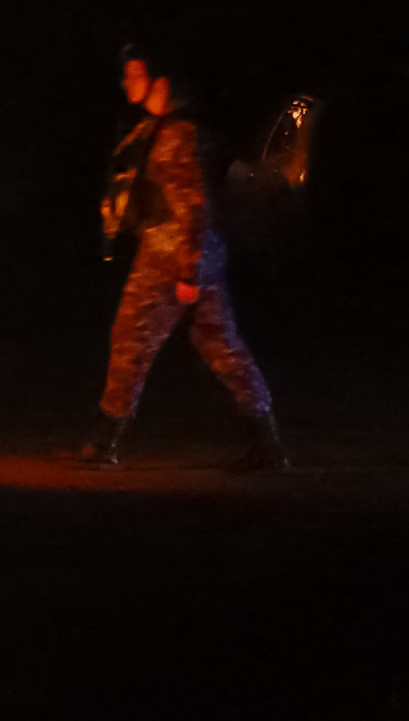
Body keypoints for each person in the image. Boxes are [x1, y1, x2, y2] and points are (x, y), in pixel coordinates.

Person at [89, 48, 285, 472]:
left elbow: (194, 205)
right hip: (192, 251)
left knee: (130, 339)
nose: (126, 82)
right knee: (222, 346)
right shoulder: (156, 130)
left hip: (171, 253)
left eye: (135, 74)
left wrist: (189, 268)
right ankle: (266, 444)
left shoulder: (177, 135)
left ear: (161, 81)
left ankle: (104, 442)